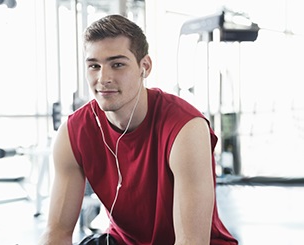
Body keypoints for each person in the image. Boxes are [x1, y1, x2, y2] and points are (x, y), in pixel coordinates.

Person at [38, 14, 238, 245]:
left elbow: (191, 241)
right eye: (94, 66)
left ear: (145, 66)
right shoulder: (73, 133)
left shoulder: (185, 128)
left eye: (117, 64)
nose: (103, 78)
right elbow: (57, 233)